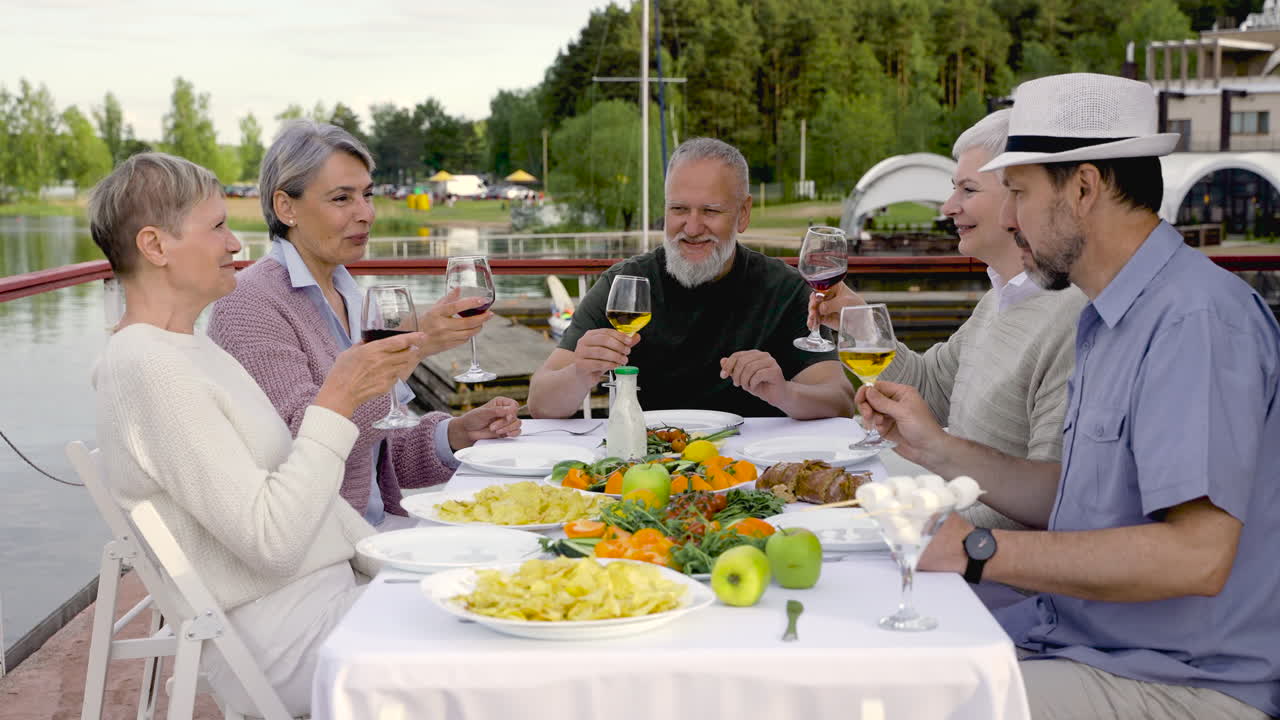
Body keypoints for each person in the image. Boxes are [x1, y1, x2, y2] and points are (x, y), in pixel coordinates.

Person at [864, 73, 1280, 719]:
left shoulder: (1194, 321)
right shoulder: (1108, 314)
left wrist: (978, 551)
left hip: (1179, 683)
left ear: (1084, 187)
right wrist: (938, 449)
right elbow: (1079, 501)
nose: (1007, 217)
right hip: (1080, 639)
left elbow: (1197, 556)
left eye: (1020, 192)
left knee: (898, 702)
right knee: (864, 652)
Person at [90, 153, 418, 715]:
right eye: (217, 227)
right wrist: (335, 403)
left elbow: (300, 496)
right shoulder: (146, 367)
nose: (235, 245)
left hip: (326, 600)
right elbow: (272, 540)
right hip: (282, 640)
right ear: (155, 246)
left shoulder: (192, 350)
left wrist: (413, 564)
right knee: (497, 639)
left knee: (499, 595)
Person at [209, 121, 520, 531]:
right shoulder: (248, 304)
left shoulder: (346, 293)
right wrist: (415, 347)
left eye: (367, 195)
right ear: (286, 207)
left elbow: (373, 449)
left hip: (373, 525)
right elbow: (304, 444)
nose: (366, 214)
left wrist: (458, 435)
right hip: (326, 546)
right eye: (342, 198)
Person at [809, 110, 1087, 530]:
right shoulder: (999, 300)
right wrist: (854, 317)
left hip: (981, 563)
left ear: (1019, 196)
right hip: (951, 531)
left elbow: (1053, 501)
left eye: (967, 190)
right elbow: (933, 390)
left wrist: (922, 523)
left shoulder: (1071, 319)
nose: (947, 206)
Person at [527, 137, 855, 420]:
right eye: (679, 209)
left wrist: (784, 393)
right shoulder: (624, 284)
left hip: (753, 474)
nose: (693, 228)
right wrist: (580, 373)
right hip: (647, 468)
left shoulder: (785, 289)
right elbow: (541, 404)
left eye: (710, 211)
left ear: (743, 213)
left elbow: (840, 401)